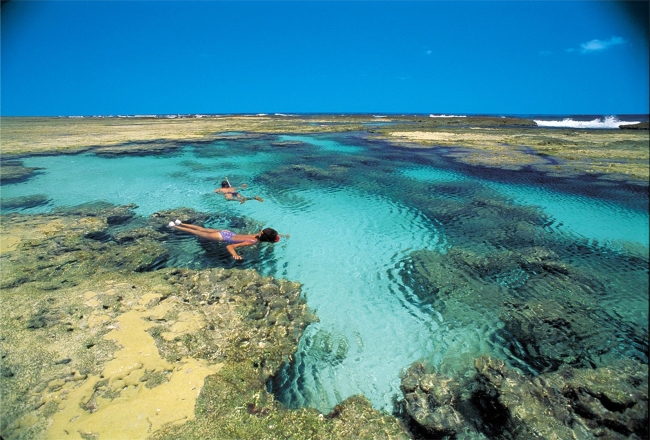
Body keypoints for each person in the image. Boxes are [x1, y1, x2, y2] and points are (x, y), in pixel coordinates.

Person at [167, 219, 283, 260]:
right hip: (222, 237)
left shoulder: (256, 235)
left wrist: (282, 234)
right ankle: (173, 226)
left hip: (227, 232)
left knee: (202, 229)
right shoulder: (253, 241)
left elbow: (267, 234)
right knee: (196, 232)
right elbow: (230, 246)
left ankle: (180, 223)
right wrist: (235, 255)